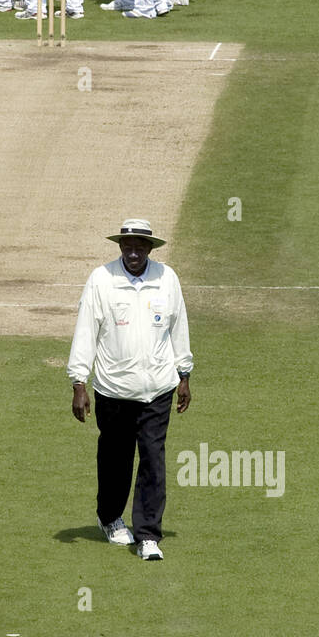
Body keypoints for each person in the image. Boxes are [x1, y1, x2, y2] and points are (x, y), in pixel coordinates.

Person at [67, 219, 193, 562]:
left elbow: (178, 326)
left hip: (158, 388)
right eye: (127, 247)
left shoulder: (166, 279)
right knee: (116, 459)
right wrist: (79, 382)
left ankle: (149, 535)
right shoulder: (102, 280)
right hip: (114, 390)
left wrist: (184, 373)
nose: (133, 253)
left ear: (151, 249)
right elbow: (85, 331)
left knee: (153, 459)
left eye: (140, 247)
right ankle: (109, 517)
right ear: (120, 247)